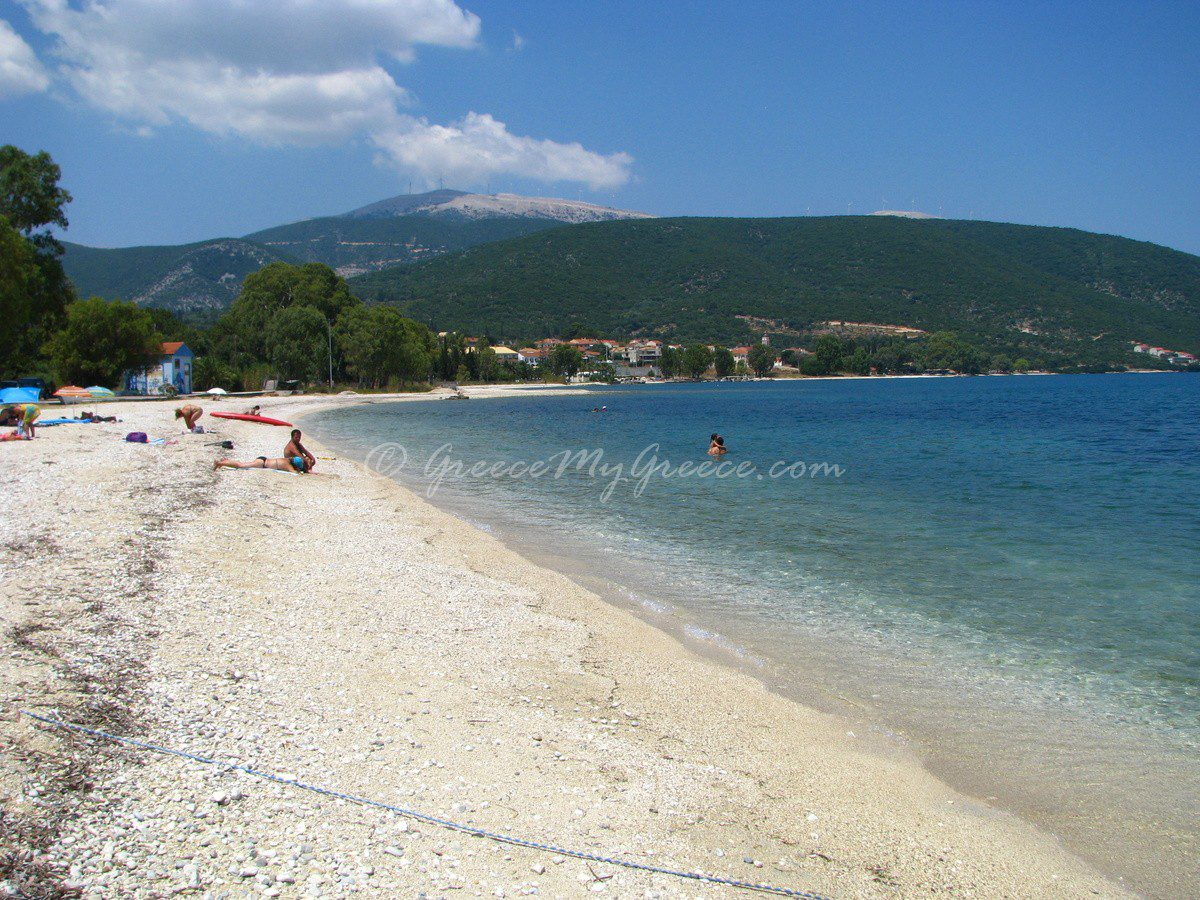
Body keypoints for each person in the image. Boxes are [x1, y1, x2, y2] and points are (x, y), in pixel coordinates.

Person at [213, 455, 307, 474]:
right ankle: (220, 463)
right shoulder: (288, 465)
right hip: (262, 464)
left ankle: (225, 461)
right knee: (240, 465)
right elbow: (295, 473)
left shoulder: (286, 460)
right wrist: (299, 471)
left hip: (263, 459)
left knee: (242, 463)